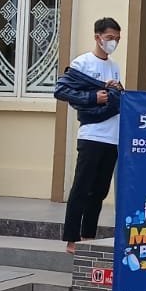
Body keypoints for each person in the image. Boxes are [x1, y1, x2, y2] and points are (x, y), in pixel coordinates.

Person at [54, 18, 124, 254]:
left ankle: (88, 235)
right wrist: (93, 97)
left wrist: (117, 89)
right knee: (81, 187)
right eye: (110, 38)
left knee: (99, 191)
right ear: (97, 37)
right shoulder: (82, 63)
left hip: (112, 137)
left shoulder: (114, 66)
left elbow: (117, 98)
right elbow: (62, 90)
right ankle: (72, 238)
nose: (113, 42)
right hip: (92, 135)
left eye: (117, 38)